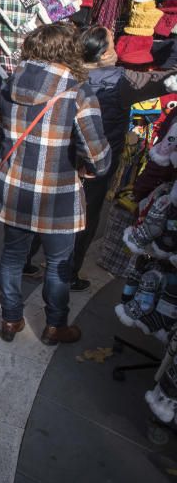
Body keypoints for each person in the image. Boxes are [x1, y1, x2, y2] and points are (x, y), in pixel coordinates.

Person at [0, 23, 111, 346]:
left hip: (14, 189)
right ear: (69, 51)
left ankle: (10, 319)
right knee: (58, 263)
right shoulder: (78, 92)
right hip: (58, 196)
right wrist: (88, 168)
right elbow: (98, 155)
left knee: (12, 257)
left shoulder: (10, 84)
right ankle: (56, 325)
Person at [32, 26, 177, 290]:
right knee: (85, 216)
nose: (115, 51)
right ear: (100, 54)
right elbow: (163, 81)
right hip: (96, 161)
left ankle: (28, 258)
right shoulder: (122, 81)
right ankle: (68, 273)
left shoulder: (64, 73)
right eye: (111, 46)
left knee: (48, 207)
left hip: (60, 155)